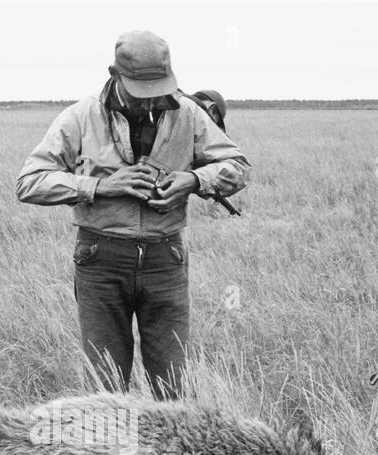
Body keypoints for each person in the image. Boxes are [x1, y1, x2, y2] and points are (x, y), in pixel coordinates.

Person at [16, 31, 249, 399]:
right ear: (114, 74)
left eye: (158, 88)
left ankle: (166, 438)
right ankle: (109, 439)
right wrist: (99, 187)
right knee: (104, 390)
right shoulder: (81, 116)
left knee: (172, 389)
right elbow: (29, 182)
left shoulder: (188, 113)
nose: (150, 100)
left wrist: (192, 180)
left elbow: (239, 167)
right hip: (100, 261)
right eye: (141, 90)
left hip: (165, 259)